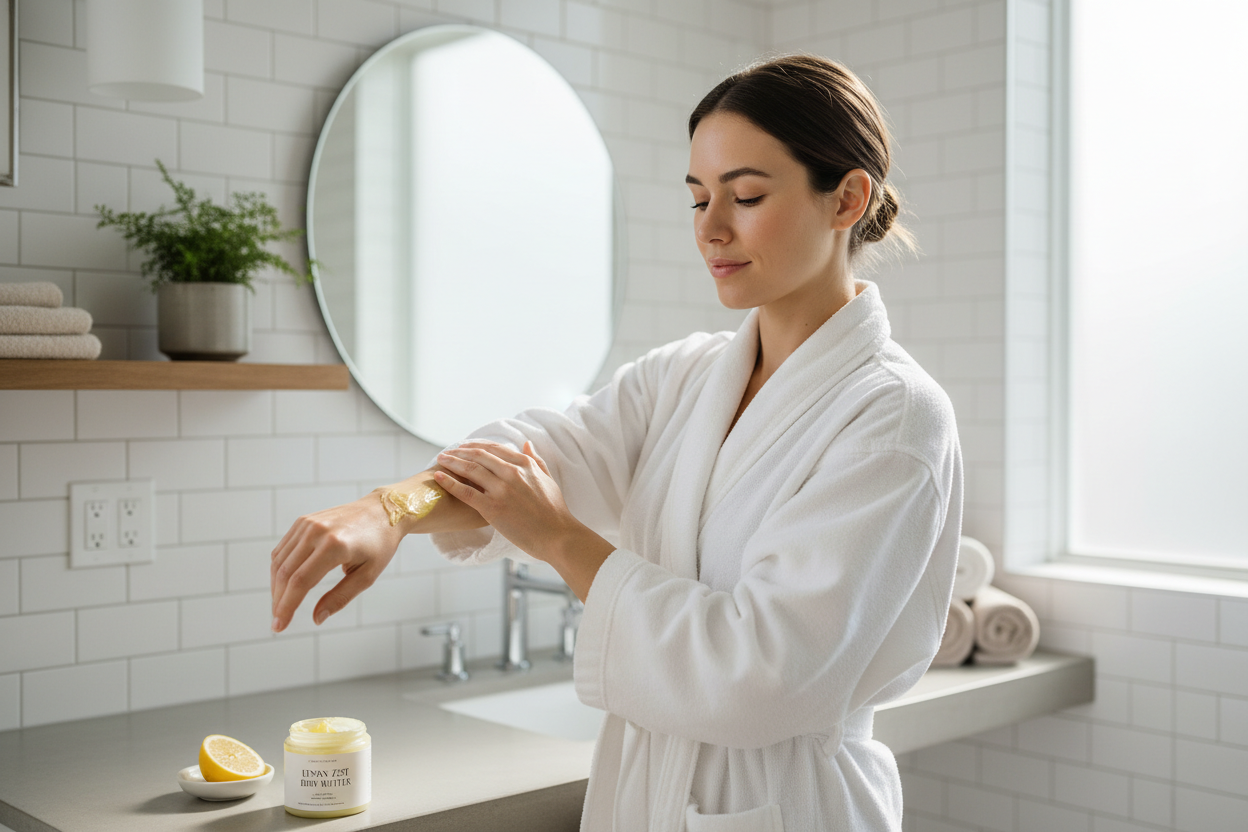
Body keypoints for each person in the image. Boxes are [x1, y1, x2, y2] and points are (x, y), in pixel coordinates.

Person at [271, 54, 962, 832]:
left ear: (847, 198)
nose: (711, 227)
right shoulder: (685, 377)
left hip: (794, 804)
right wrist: (389, 510)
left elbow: (763, 677)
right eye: (698, 197)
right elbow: (538, 456)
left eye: (746, 196)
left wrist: (560, 540)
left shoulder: (894, 417)